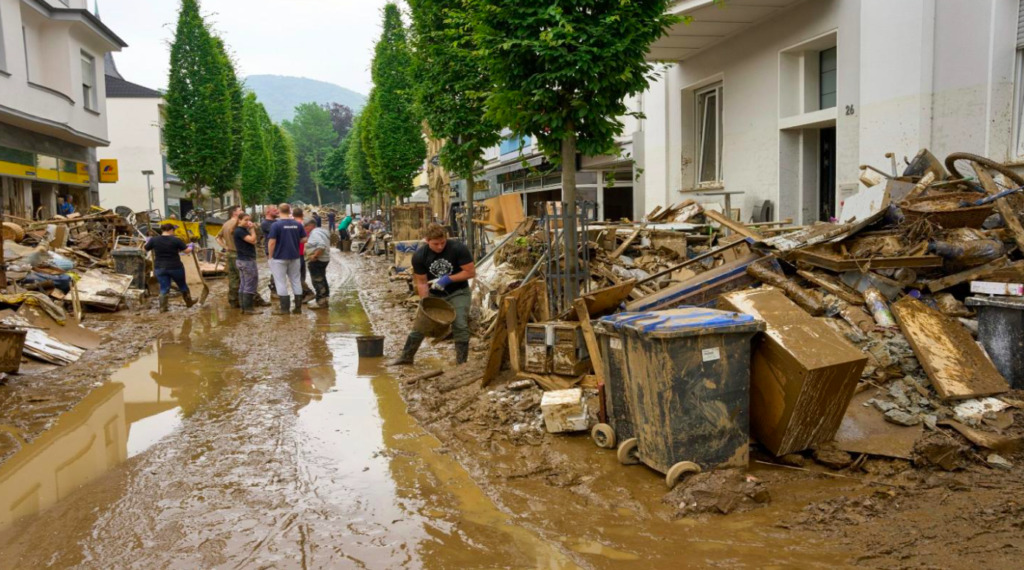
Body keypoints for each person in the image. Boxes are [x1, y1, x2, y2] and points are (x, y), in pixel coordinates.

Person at [391, 223, 476, 366]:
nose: (440, 247)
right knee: (421, 325)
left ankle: (461, 363)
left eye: (442, 243)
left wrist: (447, 279)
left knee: (460, 324)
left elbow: (470, 272)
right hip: (436, 294)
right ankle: (406, 357)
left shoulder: (458, 249)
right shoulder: (419, 256)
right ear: (427, 240)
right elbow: (422, 282)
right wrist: (425, 303)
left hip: (458, 292)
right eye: (435, 244)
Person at [145, 223, 197, 313]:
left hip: (160, 268)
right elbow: (187, 251)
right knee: (182, 285)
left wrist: (148, 241)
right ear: (171, 230)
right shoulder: (176, 240)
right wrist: (191, 246)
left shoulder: (154, 240)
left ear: (162, 230)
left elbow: (144, 249)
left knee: (164, 288)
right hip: (175, 267)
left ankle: (163, 308)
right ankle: (189, 303)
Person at [266, 203, 307, 315]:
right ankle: (298, 308)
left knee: (280, 282)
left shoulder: (276, 225)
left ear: (279, 211)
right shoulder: (297, 224)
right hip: (295, 256)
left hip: (279, 257)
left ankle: (284, 309)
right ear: (290, 211)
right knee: (296, 280)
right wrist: (293, 240)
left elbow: (272, 242)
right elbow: (304, 239)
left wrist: (270, 256)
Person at [234, 213, 261, 315]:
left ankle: (243, 308)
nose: (248, 222)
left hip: (242, 260)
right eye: (245, 220)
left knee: (243, 284)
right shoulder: (240, 231)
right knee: (250, 284)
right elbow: (253, 240)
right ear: (239, 220)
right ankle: (248, 309)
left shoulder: (241, 230)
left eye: (249, 220)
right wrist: (253, 230)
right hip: (247, 260)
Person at [216, 205, 242, 309]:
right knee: (244, 278)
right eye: (240, 210)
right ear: (235, 213)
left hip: (230, 253)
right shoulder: (237, 224)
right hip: (239, 253)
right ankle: (248, 301)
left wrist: (226, 247)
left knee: (233, 277)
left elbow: (217, 237)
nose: (242, 211)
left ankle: (233, 300)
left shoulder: (225, 224)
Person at [304, 219, 331, 309]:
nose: (305, 230)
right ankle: (326, 298)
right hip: (325, 259)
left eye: (306, 228)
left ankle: (320, 302)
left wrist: (315, 256)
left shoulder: (314, 233)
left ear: (310, 226)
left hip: (318, 260)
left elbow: (321, 245)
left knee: (317, 281)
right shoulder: (322, 231)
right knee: (322, 278)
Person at [292, 207, 315, 302]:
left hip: (295, 253)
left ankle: (308, 293)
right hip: (302, 252)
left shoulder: (295, 225)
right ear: (302, 215)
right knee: (301, 275)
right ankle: (301, 295)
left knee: (295, 276)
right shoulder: (303, 225)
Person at [261, 206, 280, 300]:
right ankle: (274, 290)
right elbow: (279, 232)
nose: (277, 211)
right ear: (268, 211)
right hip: (271, 250)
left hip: (280, 249)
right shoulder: (265, 223)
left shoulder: (277, 222)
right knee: (275, 271)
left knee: (280, 271)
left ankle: (278, 289)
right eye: (274, 210)